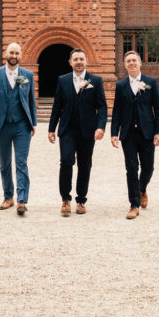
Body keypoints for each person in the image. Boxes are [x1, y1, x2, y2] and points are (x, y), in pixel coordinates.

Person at [48, 48, 106, 216]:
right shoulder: (63, 80)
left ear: (86, 61)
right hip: (67, 129)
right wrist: (52, 128)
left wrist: (100, 127)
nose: (79, 62)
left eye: (81, 59)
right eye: (76, 59)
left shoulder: (95, 80)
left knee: (85, 164)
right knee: (66, 161)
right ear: (70, 62)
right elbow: (57, 106)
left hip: (88, 130)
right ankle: (65, 199)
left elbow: (101, 106)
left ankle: (81, 200)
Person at [0, 42, 36, 215]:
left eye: (17, 53)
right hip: (1, 124)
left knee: (21, 163)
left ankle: (21, 200)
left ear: (21, 55)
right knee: (5, 163)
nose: (14, 56)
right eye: (11, 52)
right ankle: (8, 197)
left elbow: (31, 100)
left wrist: (33, 123)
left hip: (22, 125)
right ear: (6, 53)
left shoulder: (27, 74)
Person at [110, 50, 159, 220]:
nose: (131, 63)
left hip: (147, 132)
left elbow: (158, 109)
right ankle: (134, 204)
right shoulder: (120, 86)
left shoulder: (151, 82)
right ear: (125, 65)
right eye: (128, 61)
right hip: (128, 134)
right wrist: (114, 133)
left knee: (148, 167)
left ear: (140, 63)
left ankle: (142, 189)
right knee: (131, 169)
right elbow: (117, 111)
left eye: (134, 60)